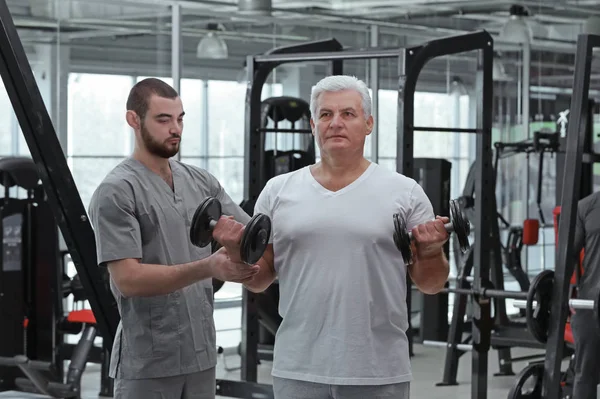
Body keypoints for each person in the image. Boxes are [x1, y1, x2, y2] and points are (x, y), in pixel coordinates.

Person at [239, 75, 450, 399]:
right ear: (313, 124)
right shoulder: (277, 191)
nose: (335, 123)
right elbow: (259, 279)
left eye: (348, 114)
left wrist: (433, 251)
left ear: (368, 123)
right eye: (326, 114)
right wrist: (235, 254)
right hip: (298, 368)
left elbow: (431, 284)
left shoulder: (405, 192)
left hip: (377, 370)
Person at [87, 78, 259, 399]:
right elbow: (128, 280)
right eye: (163, 119)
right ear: (133, 120)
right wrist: (208, 266)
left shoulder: (201, 181)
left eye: (180, 119)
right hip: (149, 362)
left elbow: (251, 236)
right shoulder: (117, 191)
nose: (175, 128)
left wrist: (238, 248)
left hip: (201, 355)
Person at [569, 191, 600, 399]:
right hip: (591, 301)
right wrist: (561, 297)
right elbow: (566, 257)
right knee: (585, 374)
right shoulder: (586, 206)